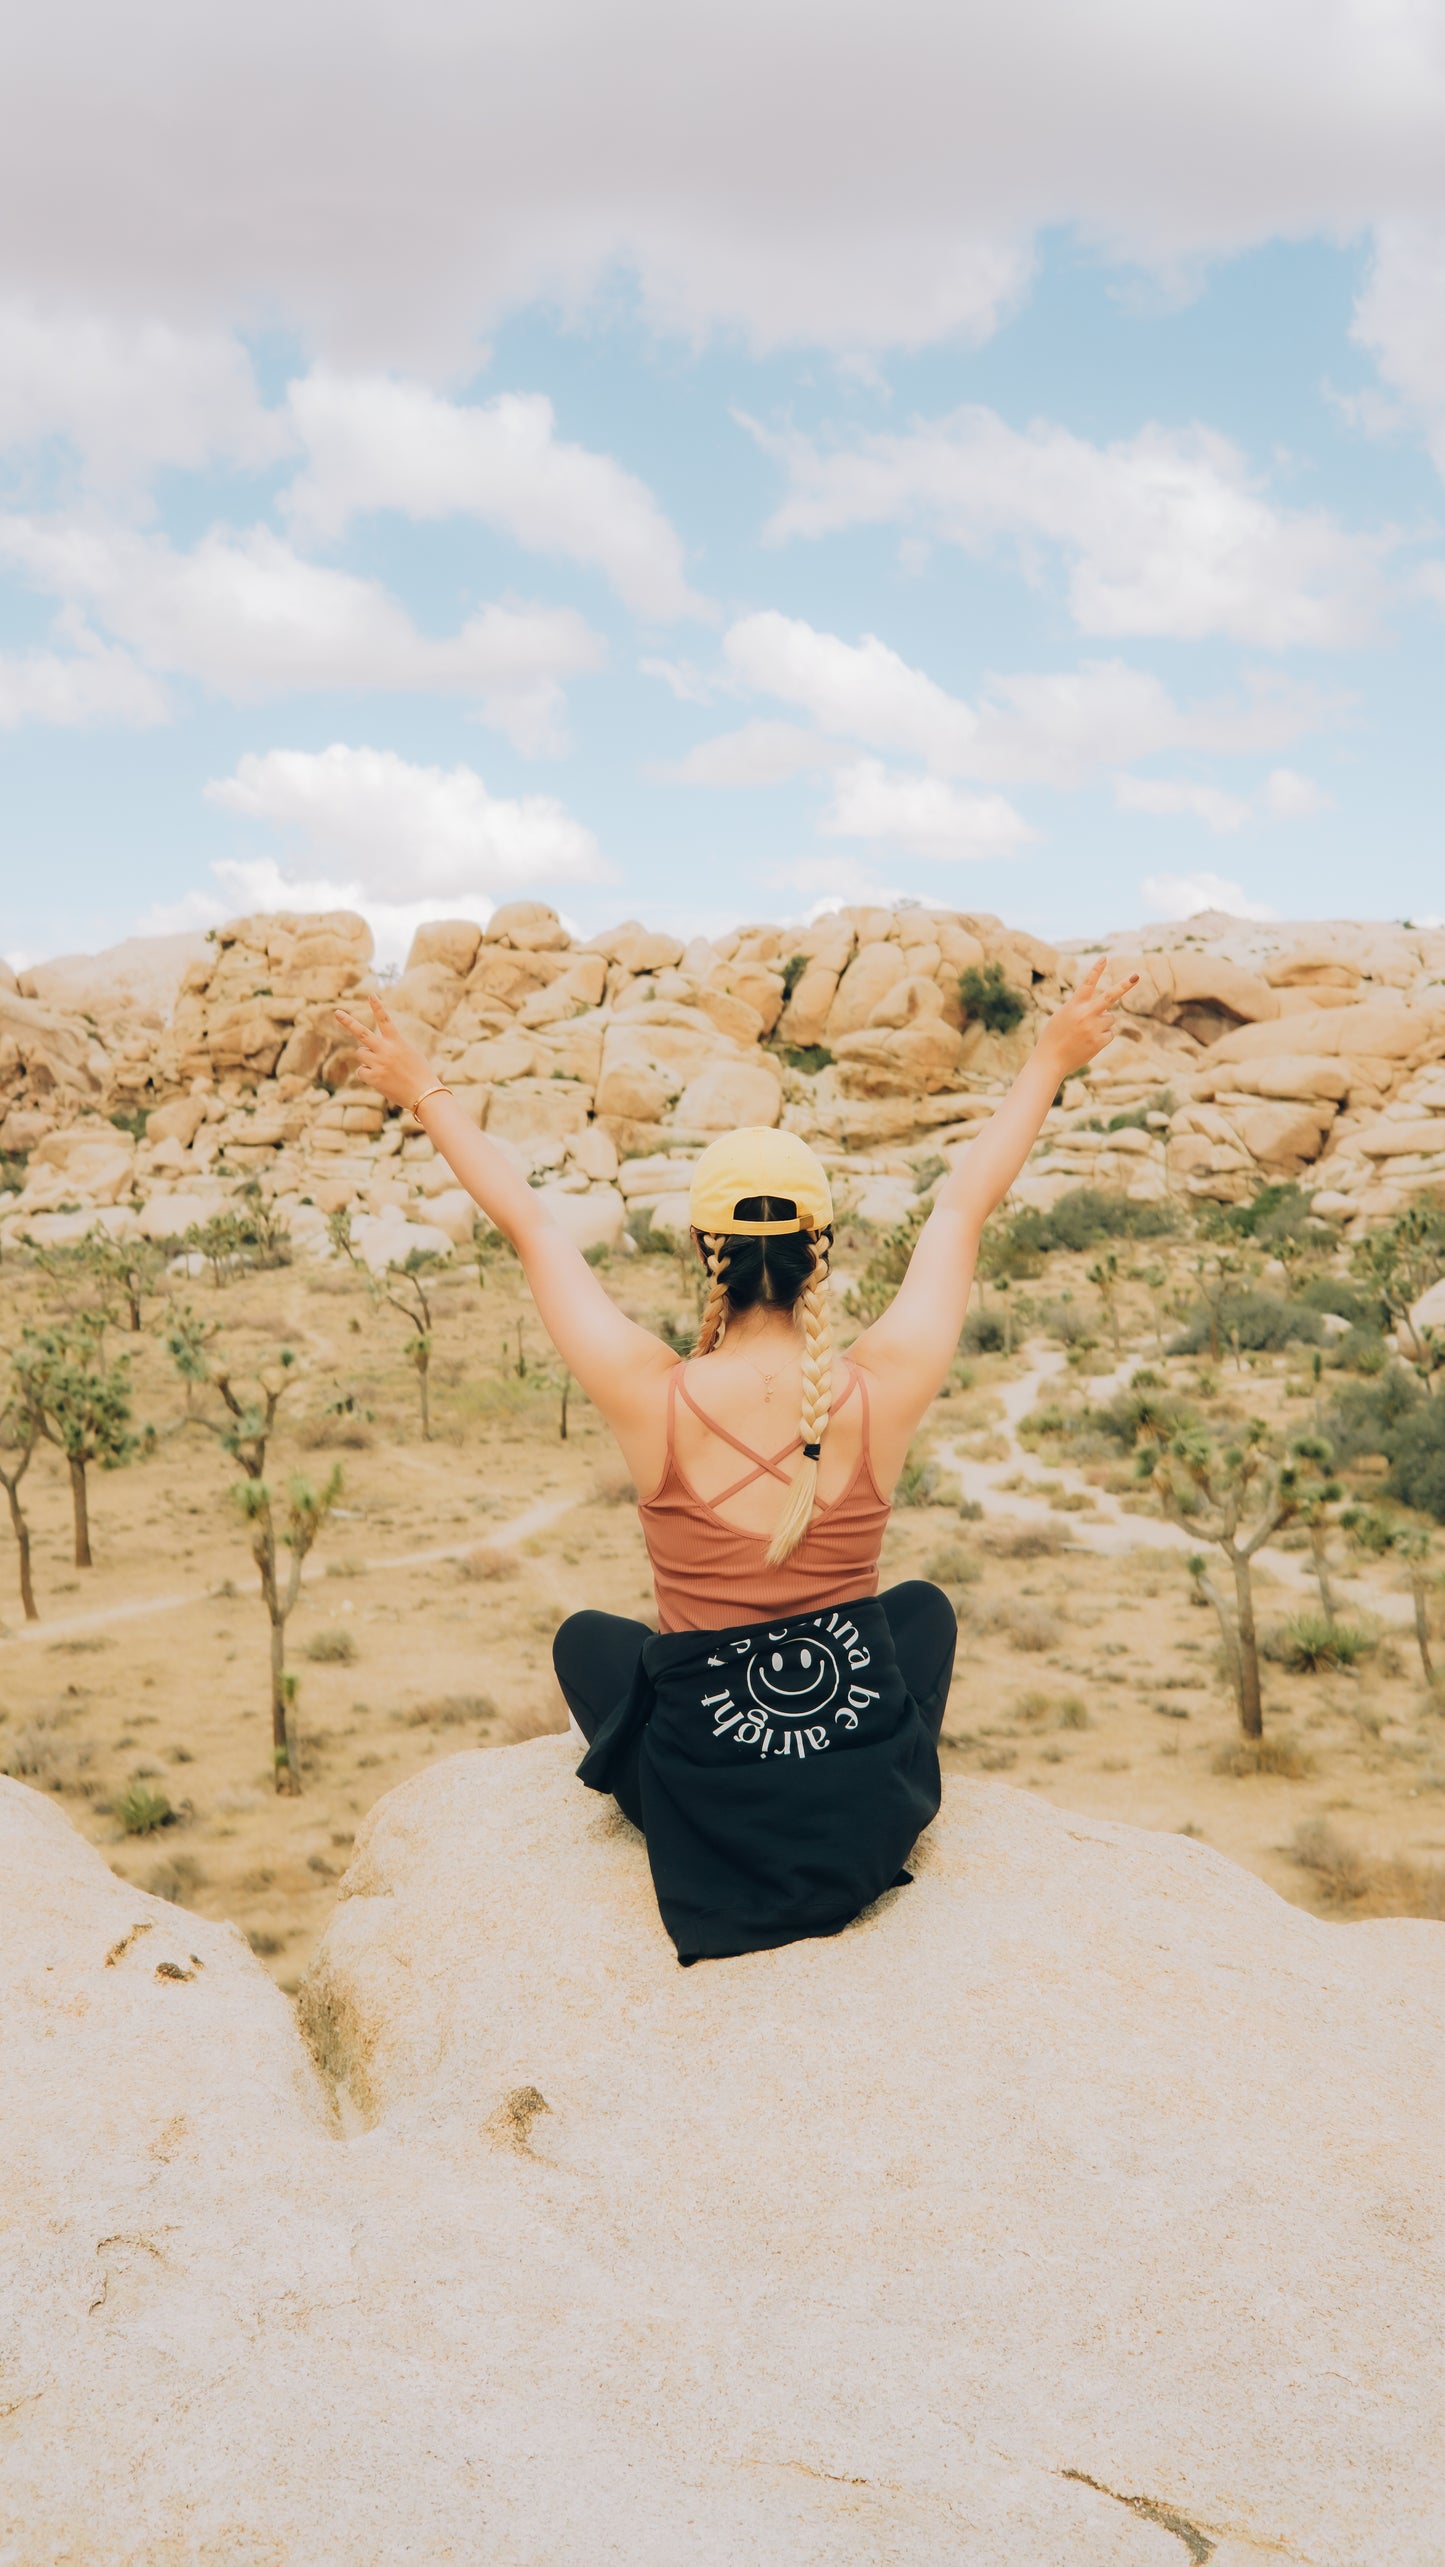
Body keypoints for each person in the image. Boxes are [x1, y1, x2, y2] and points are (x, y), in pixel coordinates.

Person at [336, 953, 1136, 1961]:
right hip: (859, 1818)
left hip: (710, 1813)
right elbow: (957, 1208)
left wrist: (422, 1089)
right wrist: (1048, 1060)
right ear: (821, 1248)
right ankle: (860, 1775)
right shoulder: (877, 1384)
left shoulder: (651, 1393)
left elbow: (532, 1226)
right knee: (921, 1611)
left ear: (703, 1250)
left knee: (589, 1638)